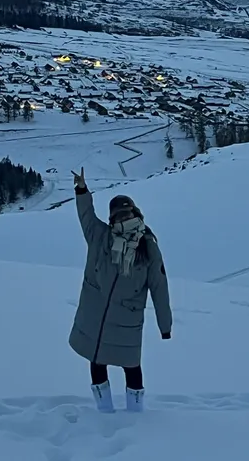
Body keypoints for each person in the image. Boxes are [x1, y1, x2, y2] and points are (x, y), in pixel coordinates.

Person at [68, 167, 172, 413]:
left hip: (127, 318)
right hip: (96, 315)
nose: (123, 219)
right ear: (111, 219)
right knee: (96, 360)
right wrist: (82, 189)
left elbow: (159, 288)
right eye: (118, 215)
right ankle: (104, 412)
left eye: (127, 214)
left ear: (136, 213)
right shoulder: (100, 236)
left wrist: (164, 325)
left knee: (131, 366)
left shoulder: (148, 248)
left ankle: (135, 413)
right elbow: (86, 215)